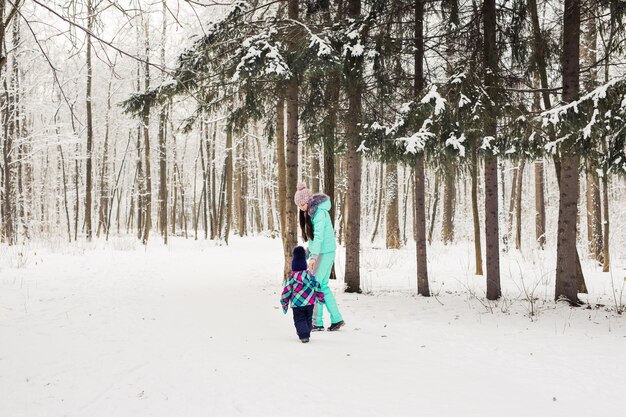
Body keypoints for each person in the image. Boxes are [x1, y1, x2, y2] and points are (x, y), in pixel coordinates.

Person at [293, 183, 345, 332]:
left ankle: (318, 322)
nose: (302, 208)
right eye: (299, 206)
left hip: (324, 252)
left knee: (316, 285)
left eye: (302, 204)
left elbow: (319, 236)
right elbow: (314, 238)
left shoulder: (319, 213)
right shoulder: (312, 213)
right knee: (321, 286)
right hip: (323, 251)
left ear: (308, 201)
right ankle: (335, 318)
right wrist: (309, 251)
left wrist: (314, 256)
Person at [280, 246, 325, 343]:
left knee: (299, 319)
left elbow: (286, 292)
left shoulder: (292, 279)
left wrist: (284, 303)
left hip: (297, 304)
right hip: (310, 303)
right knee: (308, 318)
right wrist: (320, 296)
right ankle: (306, 330)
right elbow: (317, 285)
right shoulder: (310, 276)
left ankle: (304, 334)